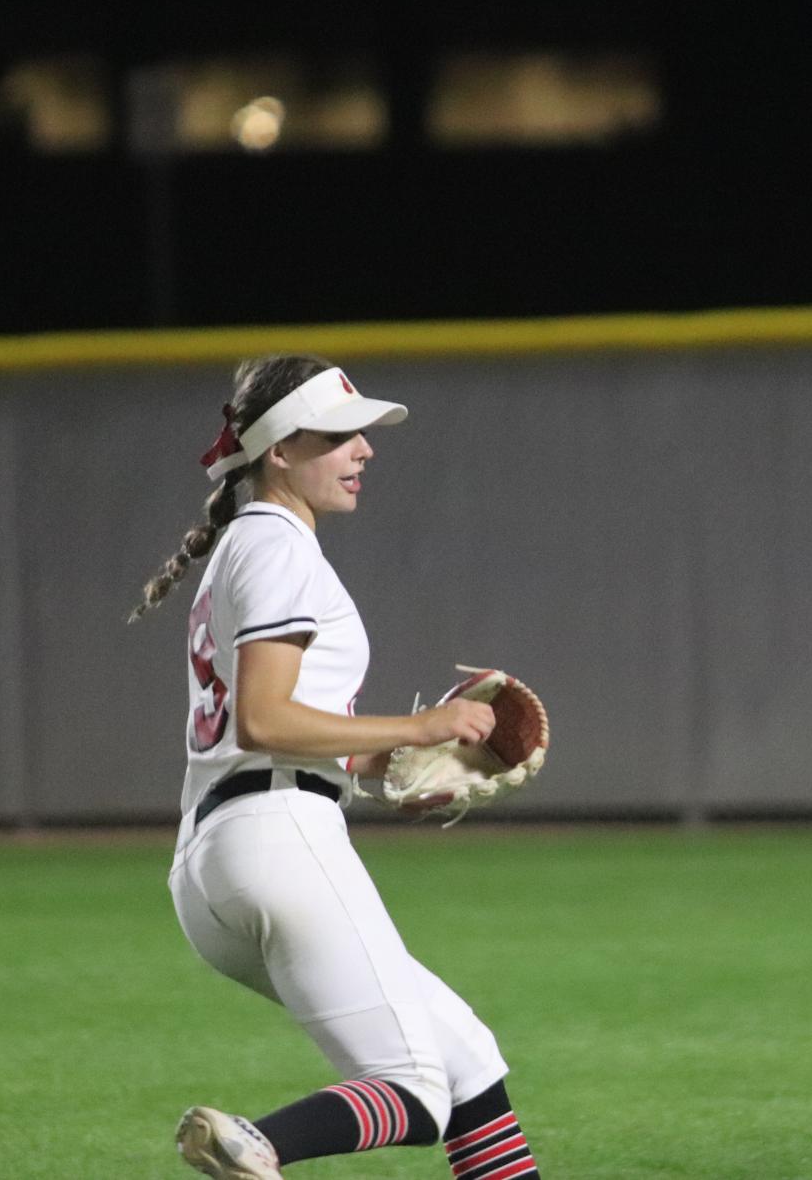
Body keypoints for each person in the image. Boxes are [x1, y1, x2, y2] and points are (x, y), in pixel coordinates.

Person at [130, 354, 544, 1180]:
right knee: (415, 1088)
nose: (363, 451)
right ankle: (259, 1145)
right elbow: (264, 718)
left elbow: (272, 730)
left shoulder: (249, 547)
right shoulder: (277, 547)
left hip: (225, 853)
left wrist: (388, 761)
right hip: (276, 839)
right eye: (338, 435)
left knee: (466, 1059)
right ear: (278, 449)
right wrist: (424, 720)